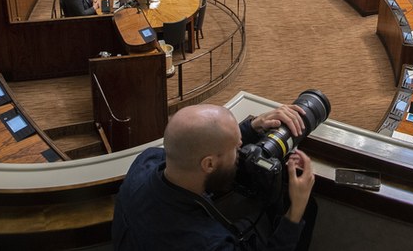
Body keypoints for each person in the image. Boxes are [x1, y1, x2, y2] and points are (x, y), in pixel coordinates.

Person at [112, 104, 315, 251]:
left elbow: (192, 144)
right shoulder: (208, 243)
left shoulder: (145, 162)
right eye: (236, 149)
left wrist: (252, 126)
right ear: (208, 164)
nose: (242, 152)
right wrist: (295, 210)